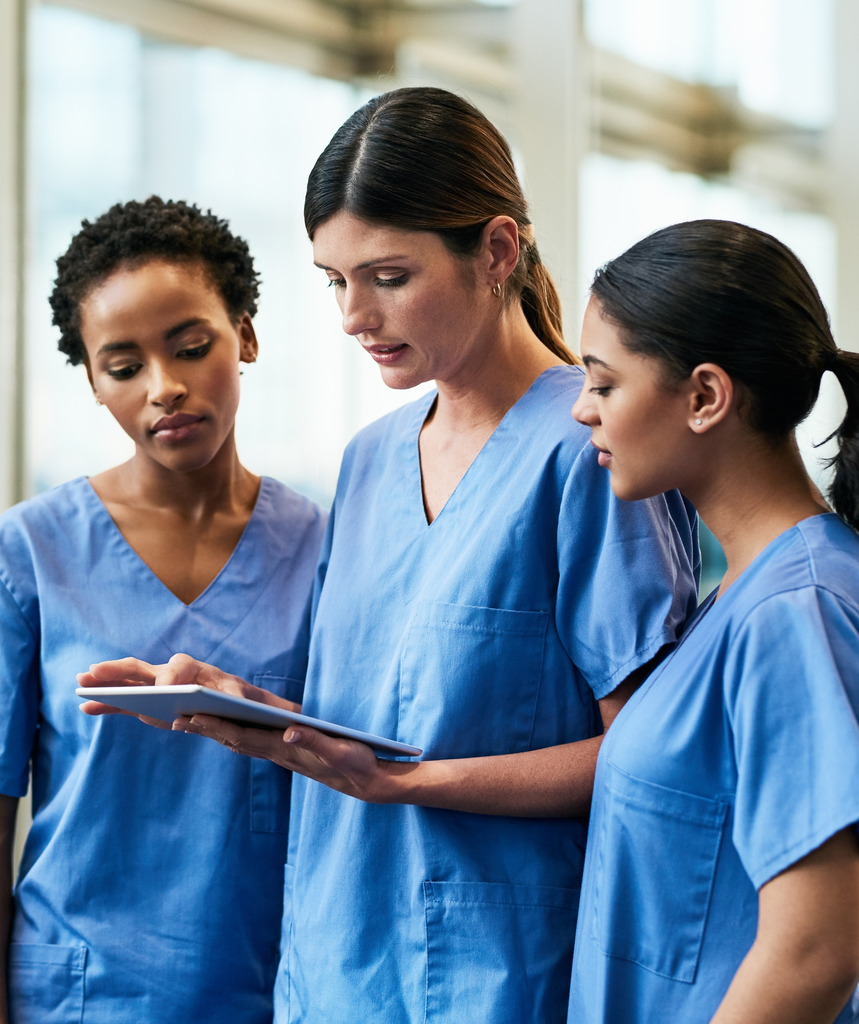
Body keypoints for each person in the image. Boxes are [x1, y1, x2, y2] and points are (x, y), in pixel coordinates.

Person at [81, 88, 700, 1023]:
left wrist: (416, 784)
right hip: (335, 965)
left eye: (387, 276)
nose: (353, 315)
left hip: (500, 977)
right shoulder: (369, 462)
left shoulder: (594, 452)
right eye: (335, 280)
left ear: (496, 252)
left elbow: (651, 760)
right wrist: (247, 709)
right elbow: (374, 724)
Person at [0, 197, 326, 1024]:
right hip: (81, 999)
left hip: (277, 990)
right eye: (123, 367)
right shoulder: (27, 557)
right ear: (91, 380)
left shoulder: (328, 551)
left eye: (192, 348)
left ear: (248, 337)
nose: (166, 388)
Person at [566, 220, 859, 1024]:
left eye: (603, 383)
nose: (581, 411)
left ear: (704, 397)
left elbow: (813, 951)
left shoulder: (796, 612)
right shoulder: (755, 592)